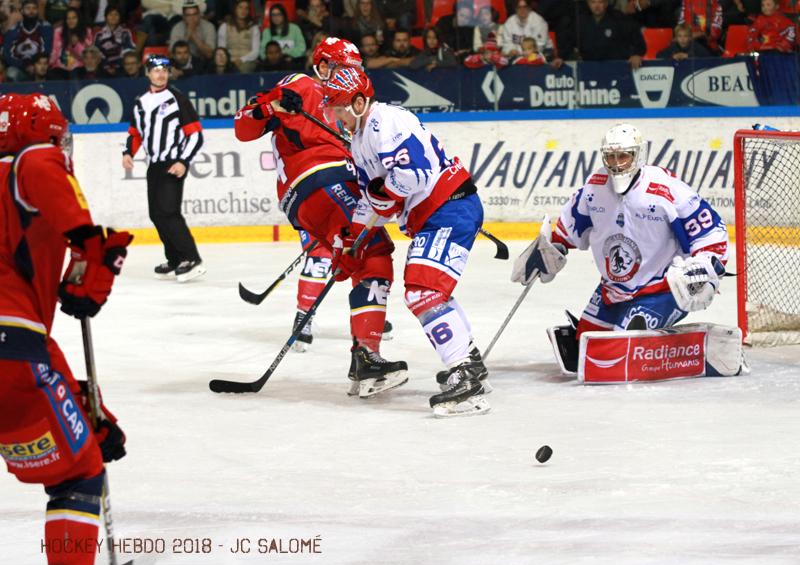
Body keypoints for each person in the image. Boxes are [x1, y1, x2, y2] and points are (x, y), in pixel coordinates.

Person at [0, 92, 130, 565]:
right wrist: (91, 248)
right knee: (78, 473)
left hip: (16, 346)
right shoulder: (31, 160)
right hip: (11, 346)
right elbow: (42, 166)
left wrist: (78, 404)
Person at [234, 40, 407, 391]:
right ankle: (365, 355)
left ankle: (364, 346)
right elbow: (243, 126)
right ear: (324, 67)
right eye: (346, 69)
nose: (353, 76)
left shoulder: (348, 103)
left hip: (314, 196)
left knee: (356, 255)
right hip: (323, 182)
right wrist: (270, 104)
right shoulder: (300, 85)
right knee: (372, 252)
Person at [324, 67, 492, 418]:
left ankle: (466, 376)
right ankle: (470, 362)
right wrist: (351, 240)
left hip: (449, 208)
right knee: (428, 292)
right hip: (436, 214)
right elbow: (373, 200)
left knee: (423, 291)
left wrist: (384, 193)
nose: (337, 116)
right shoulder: (359, 139)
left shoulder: (385, 122)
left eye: (340, 108)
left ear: (358, 102)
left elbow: (414, 174)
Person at [521, 123, 730, 373]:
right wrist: (551, 249)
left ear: (638, 156)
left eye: (623, 156)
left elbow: (711, 231)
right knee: (584, 347)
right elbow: (569, 229)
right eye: (610, 157)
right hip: (613, 289)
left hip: (663, 288)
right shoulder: (594, 187)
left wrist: (705, 266)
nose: (616, 163)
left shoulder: (666, 188)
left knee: (623, 348)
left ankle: (697, 353)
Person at [123, 55, 206, 282]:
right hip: (154, 165)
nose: (160, 74)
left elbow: (195, 134)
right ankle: (175, 259)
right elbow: (135, 133)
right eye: (156, 70)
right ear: (148, 73)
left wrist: (183, 161)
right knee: (157, 214)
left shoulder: (177, 99)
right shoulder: (141, 102)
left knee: (169, 212)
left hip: (172, 163)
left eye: (164, 70)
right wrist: (128, 152)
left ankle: (191, 258)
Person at [563, 0, 645, 69]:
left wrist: (636, 54)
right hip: (588, 68)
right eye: (593, 2)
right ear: (588, 3)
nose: (597, 6)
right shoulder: (580, 21)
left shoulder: (619, 18)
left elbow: (636, 39)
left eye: (600, 2)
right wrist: (562, 57)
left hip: (616, 68)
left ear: (606, 3)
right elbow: (569, 43)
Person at [3, 0, 53, 81]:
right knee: (11, 73)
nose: (31, 11)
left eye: (34, 8)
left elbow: (47, 50)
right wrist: (24, 65)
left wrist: (35, 65)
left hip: (39, 67)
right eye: (28, 8)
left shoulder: (45, 28)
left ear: (38, 11)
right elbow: (7, 55)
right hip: (20, 68)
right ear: (22, 11)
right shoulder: (13, 30)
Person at [48, 6, 93, 78]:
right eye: (68, 18)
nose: (71, 21)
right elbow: (55, 51)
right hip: (60, 66)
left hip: (80, 65)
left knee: (75, 73)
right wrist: (50, 64)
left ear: (79, 19)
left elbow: (86, 56)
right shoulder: (59, 31)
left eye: (74, 18)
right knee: (52, 74)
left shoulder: (87, 31)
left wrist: (75, 45)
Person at [217, 0, 260, 73]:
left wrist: (241, 60)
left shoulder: (253, 27)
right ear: (235, 9)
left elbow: (255, 52)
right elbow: (222, 49)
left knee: (243, 69)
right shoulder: (224, 26)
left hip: (247, 61)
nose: (243, 11)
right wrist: (229, 61)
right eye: (240, 7)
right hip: (229, 61)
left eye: (246, 8)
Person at [169, 0, 215, 65]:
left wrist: (193, 34)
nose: (192, 18)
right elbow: (172, 54)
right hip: (182, 64)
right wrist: (187, 35)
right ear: (183, 17)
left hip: (204, 63)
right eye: (188, 15)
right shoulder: (177, 28)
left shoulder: (209, 26)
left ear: (199, 15)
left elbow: (209, 54)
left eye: (195, 14)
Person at [93, 5, 135, 76]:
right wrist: (107, 66)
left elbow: (129, 49)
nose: (113, 17)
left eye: (116, 14)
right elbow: (97, 52)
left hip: (121, 66)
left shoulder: (125, 32)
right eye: (110, 14)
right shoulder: (99, 35)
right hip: (103, 67)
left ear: (120, 17)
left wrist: (116, 65)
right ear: (106, 17)